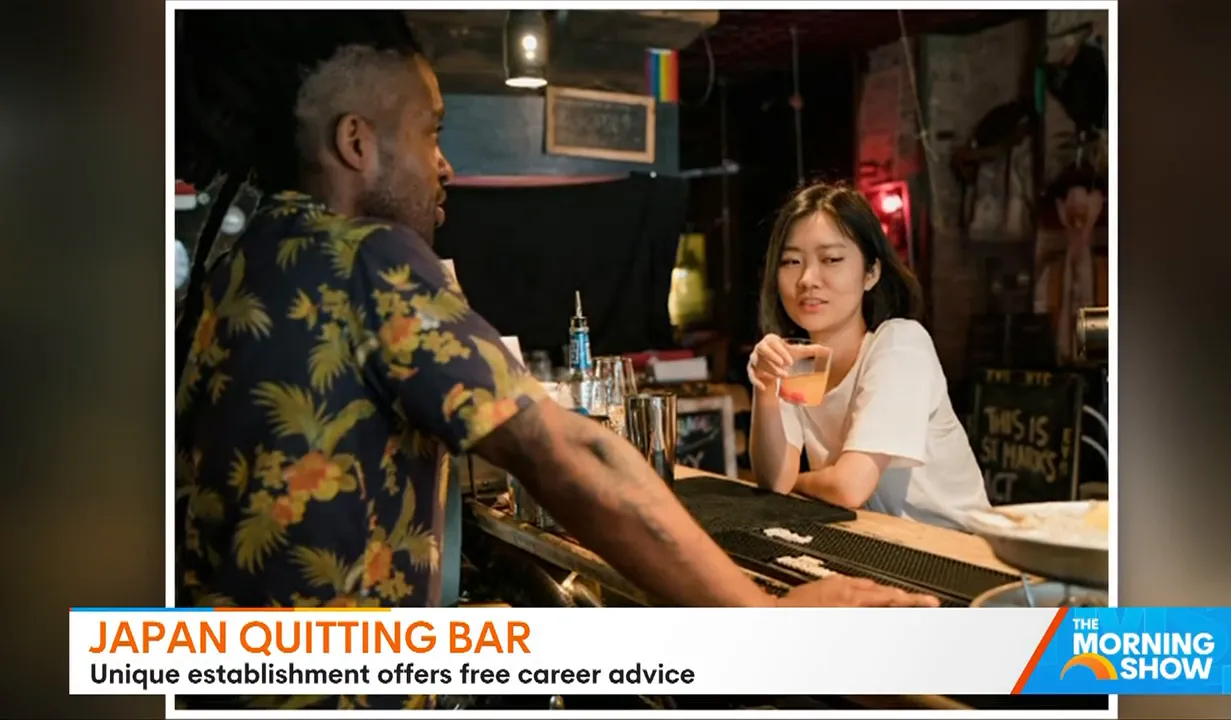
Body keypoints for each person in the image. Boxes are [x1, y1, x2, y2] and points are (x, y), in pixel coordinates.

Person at [174, 41, 938, 711]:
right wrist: (769, 623)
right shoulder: (364, 255)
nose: (446, 163)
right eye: (432, 131)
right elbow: (566, 453)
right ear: (356, 143)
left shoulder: (237, 266)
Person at [746, 182, 991, 531]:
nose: (807, 279)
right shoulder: (798, 359)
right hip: (874, 545)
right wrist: (766, 389)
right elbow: (774, 481)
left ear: (871, 273)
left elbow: (849, 487)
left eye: (831, 259)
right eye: (791, 261)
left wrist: (797, 483)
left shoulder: (900, 346)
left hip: (958, 553)